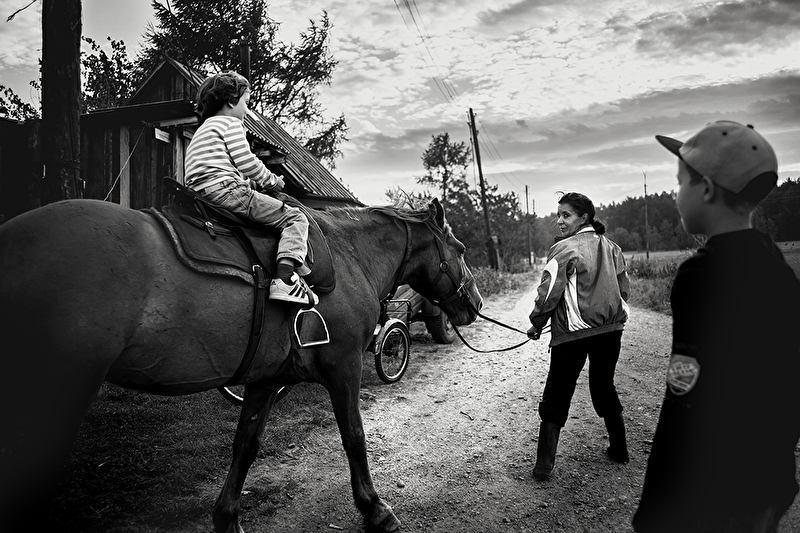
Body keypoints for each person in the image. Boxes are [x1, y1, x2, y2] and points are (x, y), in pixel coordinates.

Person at [633, 121, 800, 532]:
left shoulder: (701, 275)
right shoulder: (776, 265)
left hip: (710, 495)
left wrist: (656, 505)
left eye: (680, 184)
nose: (676, 196)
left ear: (706, 189)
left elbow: (685, 397)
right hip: (767, 481)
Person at [185, 71, 318, 307]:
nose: (247, 111)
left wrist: (248, 183)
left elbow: (218, 167)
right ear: (231, 101)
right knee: (295, 218)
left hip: (201, 194)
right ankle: (285, 280)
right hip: (226, 191)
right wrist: (271, 181)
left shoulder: (203, 129)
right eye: (246, 103)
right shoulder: (231, 123)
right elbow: (246, 161)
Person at [527, 192, 631, 481]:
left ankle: (544, 466)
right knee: (604, 386)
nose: (559, 221)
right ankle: (620, 449)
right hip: (610, 331)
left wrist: (537, 323)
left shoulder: (563, 249)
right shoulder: (613, 248)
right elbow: (624, 291)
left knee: (558, 390)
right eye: (558, 215)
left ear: (583, 218)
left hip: (572, 334)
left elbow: (548, 293)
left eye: (566, 215)